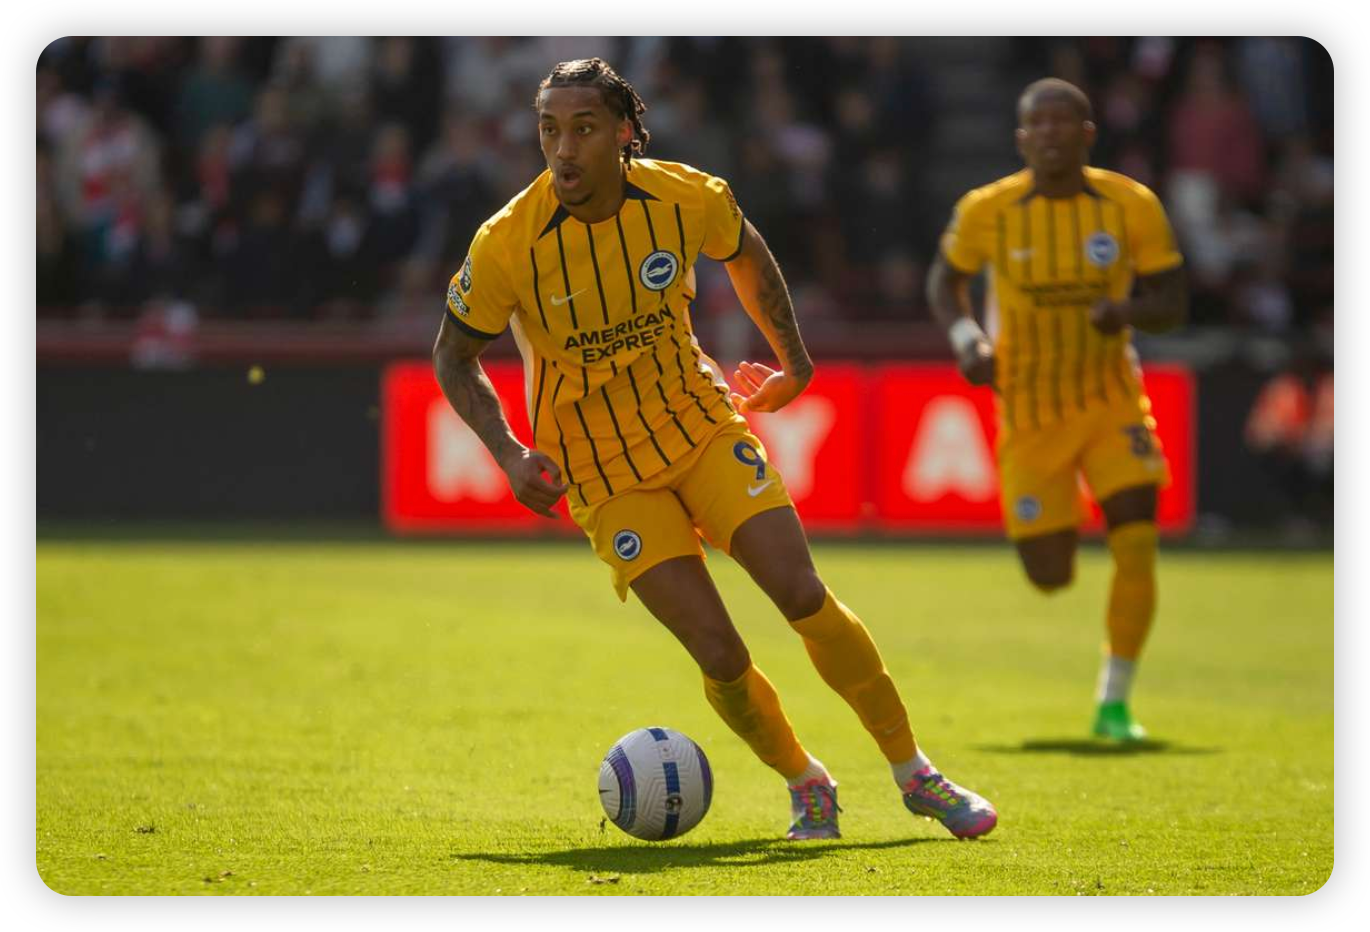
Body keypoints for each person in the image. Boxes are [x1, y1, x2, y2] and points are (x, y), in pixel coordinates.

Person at [433, 58, 996, 840]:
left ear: (624, 133)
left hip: (698, 425)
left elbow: (747, 253)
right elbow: (453, 356)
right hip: (601, 471)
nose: (563, 149)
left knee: (801, 593)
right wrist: (507, 452)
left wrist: (795, 361)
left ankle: (916, 773)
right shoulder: (507, 243)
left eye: (584, 129)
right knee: (719, 653)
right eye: (549, 130)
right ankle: (807, 784)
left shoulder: (686, 197)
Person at [926, 78, 1189, 742]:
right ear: (1021, 139)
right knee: (1050, 574)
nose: (1050, 133)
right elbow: (944, 279)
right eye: (1037, 124)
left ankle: (1114, 702)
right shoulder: (990, 209)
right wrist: (968, 339)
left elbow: (1173, 303)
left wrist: (1125, 311)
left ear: (1088, 133)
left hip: (1111, 401)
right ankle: (1058, 536)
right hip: (1030, 408)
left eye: (1062, 122)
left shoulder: (1130, 205)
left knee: (1136, 542)